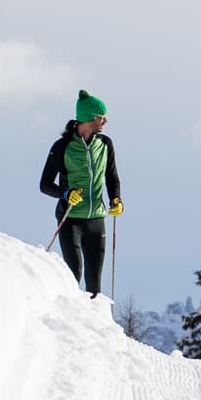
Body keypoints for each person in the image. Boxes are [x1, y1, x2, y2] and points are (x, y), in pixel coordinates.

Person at [39, 90, 123, 299]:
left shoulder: (105, 144)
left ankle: (94, 328)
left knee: (94, 284)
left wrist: (116, 199)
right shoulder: (62, 147)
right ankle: (69, 321)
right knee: (73, 276)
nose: (105, 120)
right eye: (100, 116)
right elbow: (45, 184)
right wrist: (66, 193)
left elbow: (112, 177)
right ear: (88, 118)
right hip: (71, 220)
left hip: (97, 220)